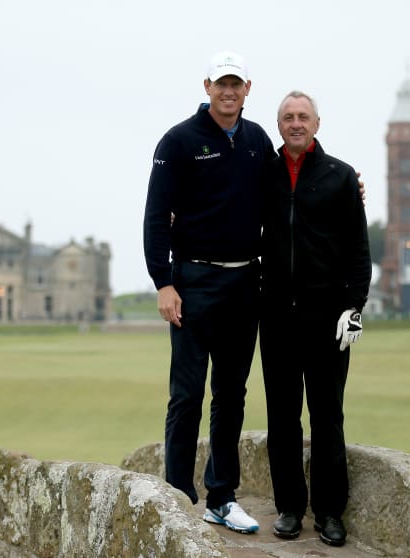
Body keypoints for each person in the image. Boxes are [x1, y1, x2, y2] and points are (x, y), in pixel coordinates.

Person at [142, 51, 271, 534]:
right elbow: (156, 217)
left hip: (245, 281)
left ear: (247, 88)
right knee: (187, 394)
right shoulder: (178, 141)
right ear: (207, 86)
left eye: (236, 84)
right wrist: (164, 282)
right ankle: (176, 499)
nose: (229, 92)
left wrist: (349, 188)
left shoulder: (257, 140)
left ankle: (221, 496)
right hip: (193, 281)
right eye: (221, 84)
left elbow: (287, 191)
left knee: (231, 394)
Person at [259, 91, 371, 547]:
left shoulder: (341, 177)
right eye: (288, 117)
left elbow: (359, 250)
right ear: (279, 125)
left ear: (317, 124)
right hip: (276, 317)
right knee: (283, 416)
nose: (296, 123)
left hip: (328, 318)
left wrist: (355, 308)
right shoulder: (262, 173)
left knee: (327, 416)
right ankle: (289, 507)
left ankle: (329, 512)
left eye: (303, 116)